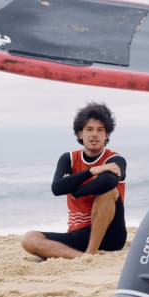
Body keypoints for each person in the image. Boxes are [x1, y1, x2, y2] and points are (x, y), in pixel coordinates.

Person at [21, 102, 127, 259]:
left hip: (111, 234)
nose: (94, 135)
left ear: (107, 135)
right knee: (29, 239)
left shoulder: (115, 159)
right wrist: (91, 171)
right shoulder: (69, 159)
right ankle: (81, 258)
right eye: (89, 129)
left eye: (100, 130)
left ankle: (90, 254)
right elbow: (57, 188)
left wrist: (77, 192)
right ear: (80, 134)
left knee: (108, 191)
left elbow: (108, 182)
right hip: (78, 234)